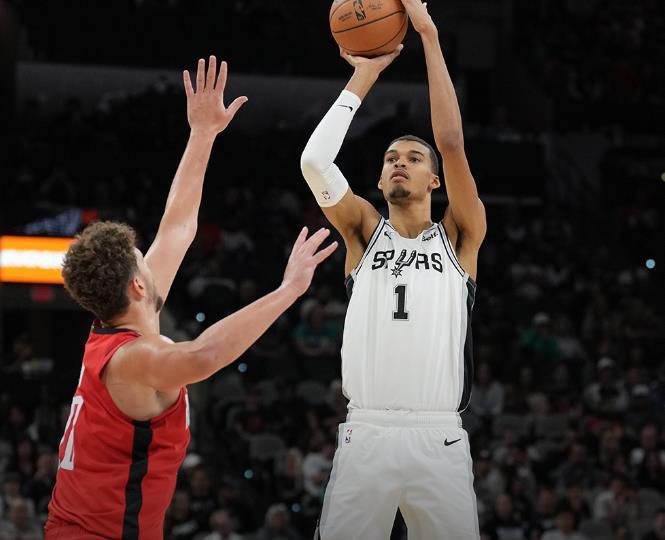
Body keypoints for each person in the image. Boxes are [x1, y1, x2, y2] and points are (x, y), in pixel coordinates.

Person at [44, 56, 338, 540]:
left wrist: (203, 134)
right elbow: (203, 356)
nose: (151, 258)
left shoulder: (119, 321)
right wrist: (287, 291)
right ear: (139, 286)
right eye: (142, 259)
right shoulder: (133, 359)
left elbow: (178, 228)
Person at [299, 0, 486, 537]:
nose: (399, 161)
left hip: (439, 437)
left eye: (412, 158)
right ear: (380, 181)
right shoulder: (362, 230)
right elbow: (314, 163)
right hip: (368, 434)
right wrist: (363, 76)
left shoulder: (459, 235)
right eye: (390, 159)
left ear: (434, 181)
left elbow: (451, 142)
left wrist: (428, 35)